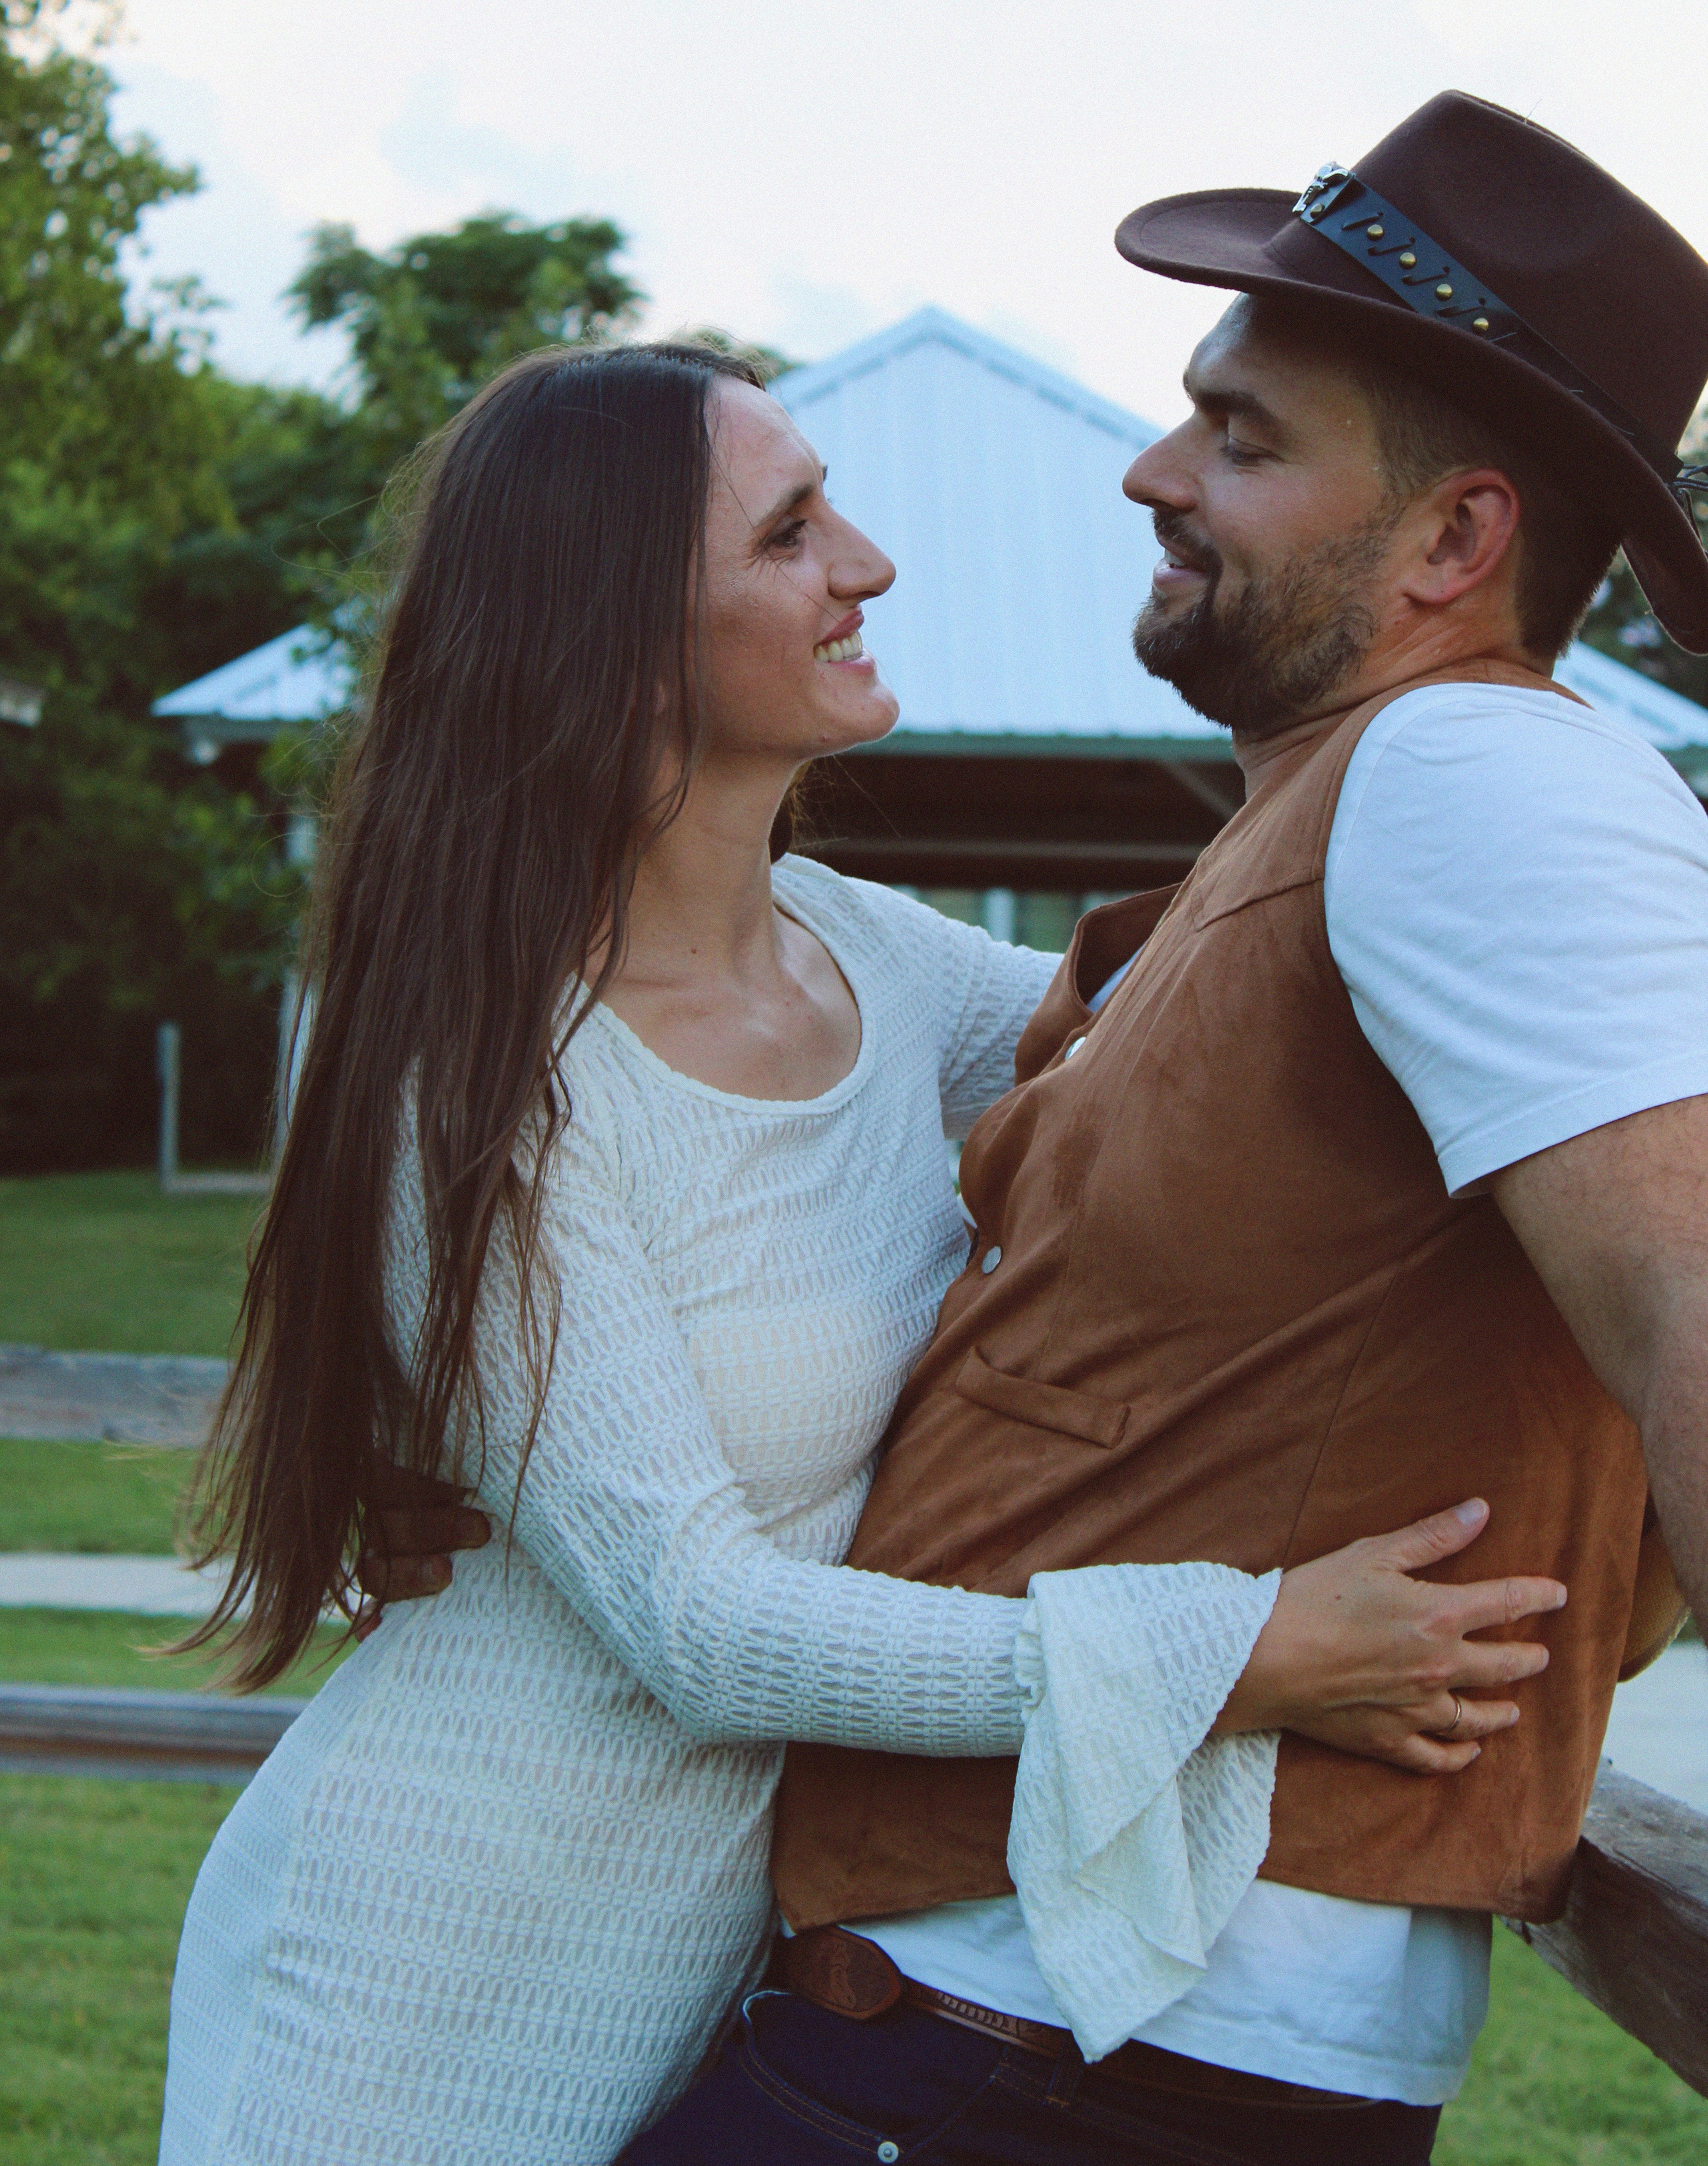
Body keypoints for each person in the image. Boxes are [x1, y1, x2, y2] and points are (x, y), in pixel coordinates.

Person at [153, 340, 1543, 2166]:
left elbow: (1227, 1044)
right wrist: (1240, 1649)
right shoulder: (477, 1076)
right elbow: (703, 1627)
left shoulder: (876, 966)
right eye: (795, 532)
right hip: (420, 1989)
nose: (871, 566)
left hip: (726, 1997)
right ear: (620, 631)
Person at [597, 90, 1708, 2166]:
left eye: (1247, 438)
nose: (1152, 469)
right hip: (1001, 2043)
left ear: (1458, 544)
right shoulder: (1346, 801)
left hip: (1084, 2056)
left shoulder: (1486, 782)